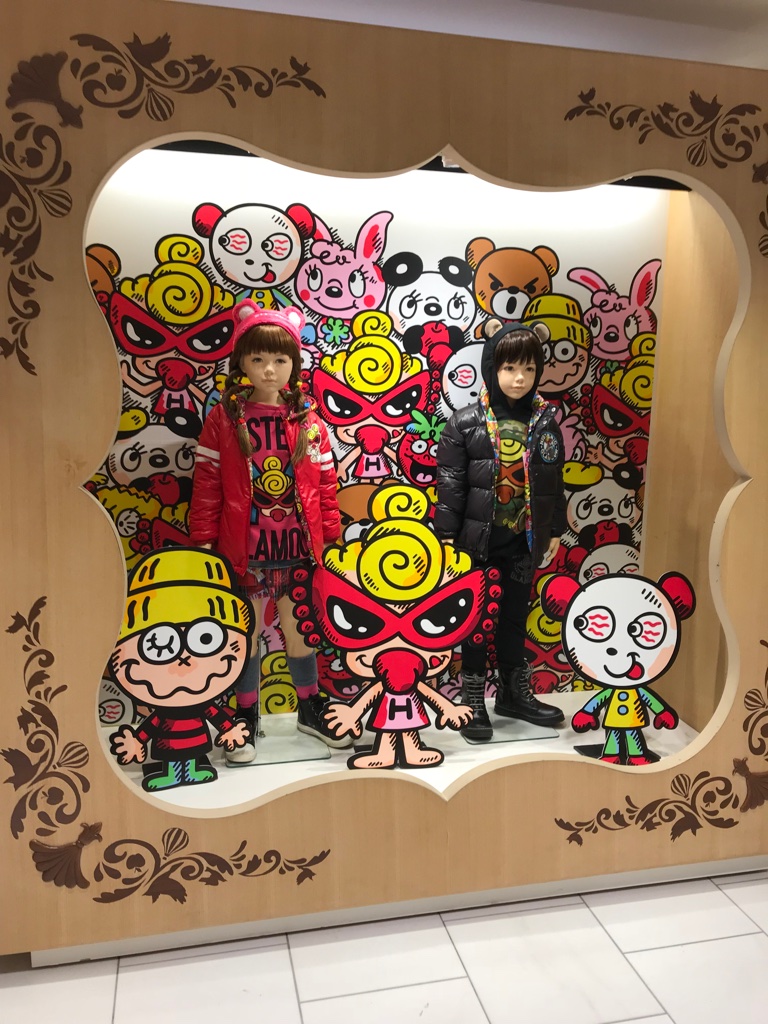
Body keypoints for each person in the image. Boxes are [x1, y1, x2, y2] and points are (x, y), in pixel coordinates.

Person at [189, 300, 352, 763]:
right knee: (246, 634)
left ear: (294, 365)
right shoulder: (224, 419)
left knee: (300, 630)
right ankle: (245, 714)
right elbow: (208, 484)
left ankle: (308, 706)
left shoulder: (308, 421)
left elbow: (325, 486)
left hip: (297, 549)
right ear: (240, 362)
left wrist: (332, 537)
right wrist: (203, 541)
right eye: (258, 358)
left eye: (280, 360)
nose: (269, 370)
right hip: (245, 550)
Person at [434, 317, 566, 741]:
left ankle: (512, 693)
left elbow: (553, 482)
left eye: (528, 368)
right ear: (492, 367)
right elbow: (450, 485)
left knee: (513, 618)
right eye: (509, 368)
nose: (519, 378)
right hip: (478, 543)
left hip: (523, 541)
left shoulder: (544, 422)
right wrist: (447, 536)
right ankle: (472, 696)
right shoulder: (465, 422)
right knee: (475, 619)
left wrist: (555, 529)